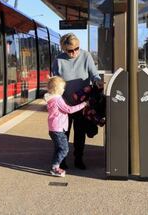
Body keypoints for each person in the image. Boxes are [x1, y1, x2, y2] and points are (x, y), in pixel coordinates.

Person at [52, 33, 103, 170]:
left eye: (77, 49)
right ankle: (62, 160)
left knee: (80, 134)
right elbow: (55, 81)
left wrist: (98, 81)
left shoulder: (86, 56)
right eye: (70, 50)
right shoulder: (58, 60)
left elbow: (94, 74)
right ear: (63, 49)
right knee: (64, 134)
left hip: (81, 104)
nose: (74, 52)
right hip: (64, 105)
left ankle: (79, 159)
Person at [44, 76, 87, 177]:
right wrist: (83, 104)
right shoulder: (58, 99)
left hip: (53, 129)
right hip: (58, 129)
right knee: (64, 149)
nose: (64, 90)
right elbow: (69, 110)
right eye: (63, 88)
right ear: (57, 89)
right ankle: (55, 167)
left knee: (58, 148)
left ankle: (55, 165)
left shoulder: (51, 99)